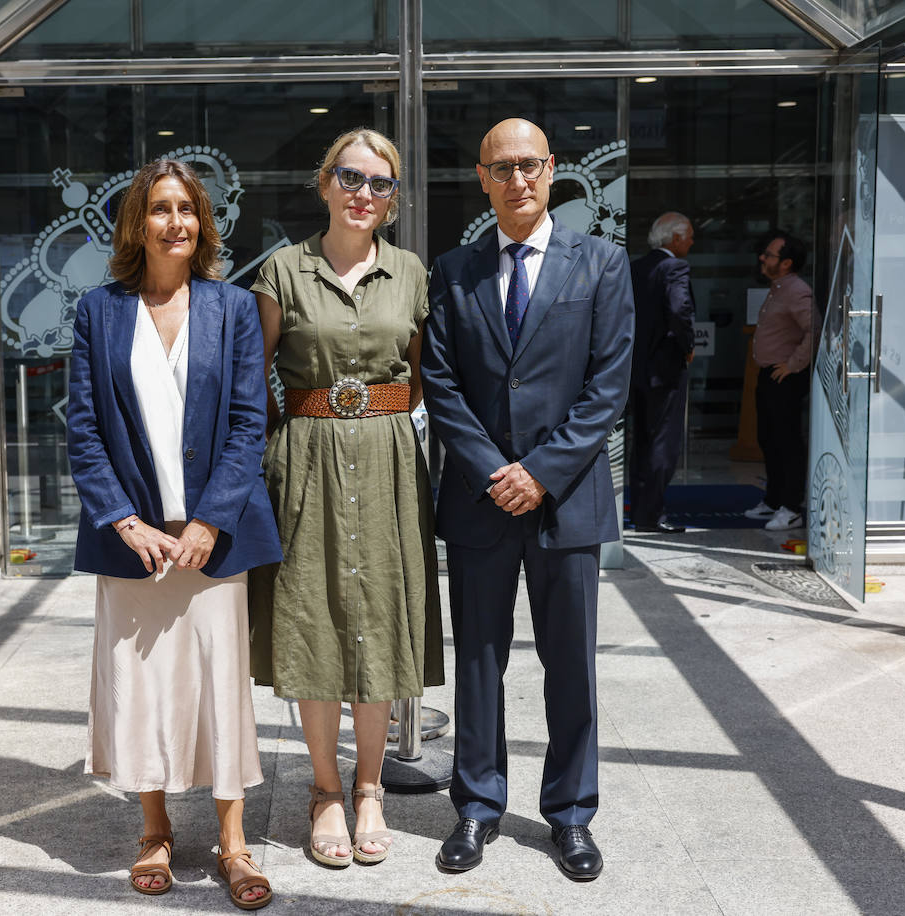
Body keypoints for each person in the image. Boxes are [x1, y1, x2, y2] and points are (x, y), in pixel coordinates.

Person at [66, 159, 281, 910]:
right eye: (159, 208)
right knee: (142, 683)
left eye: (187, 208)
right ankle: (154, 829)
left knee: (220, 687)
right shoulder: (99, 311)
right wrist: (125, 522)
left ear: (202, 222)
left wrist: (209, 520)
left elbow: (251, 423)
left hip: (212, 541)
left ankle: (232, 840)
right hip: (134, 546)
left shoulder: (232, 309)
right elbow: (84, 430)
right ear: (137, 223)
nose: (175, 222)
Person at [422, 118, 633, 881]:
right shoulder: (452, 269)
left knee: (569, 662)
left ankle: (571, 815)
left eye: (530, 166)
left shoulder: (602, 264)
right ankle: (477, 807)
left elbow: (608, 384)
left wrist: (539, 471)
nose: (517, 180)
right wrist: (493, 470)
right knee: (480, 661)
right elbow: (439, 385)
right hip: (481, 503)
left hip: (566, 500)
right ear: (481, 177)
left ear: (552, 170)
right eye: (501, 167)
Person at [249, 127, 442, 869]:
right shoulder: (282, 271)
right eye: (353, 178)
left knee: (381, 618)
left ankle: (369, 788)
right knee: (314, 619)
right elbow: (254, 377)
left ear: (393, 200)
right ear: (325, 183)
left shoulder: (410, 271)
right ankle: (325, 790)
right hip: (306, 458)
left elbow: (420, 375)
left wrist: (376, 418)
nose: (366, 194)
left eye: (382, 184)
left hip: (390, 458)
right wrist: (296, 440)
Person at [628, 212, 696, 534]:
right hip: (665, 368)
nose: (693, 242)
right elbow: (680, 310)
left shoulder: (637, 267)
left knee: (641, 441)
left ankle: (640, 510)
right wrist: (687, 344)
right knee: (663, 443)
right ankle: (651, 515)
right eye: (690, 236)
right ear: (675, 238)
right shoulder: (675, 267)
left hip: (637, 369)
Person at [743, 231, 814, 532]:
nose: (763, 257)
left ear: (786, 263)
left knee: (787, 443)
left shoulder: (796, 291)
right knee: (769, 440)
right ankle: (773, 501)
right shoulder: (778, 288)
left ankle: (791, 507)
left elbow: (815, 329)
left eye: (769, 255)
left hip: (785, 378)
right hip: (769, 375)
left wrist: (793, 364)